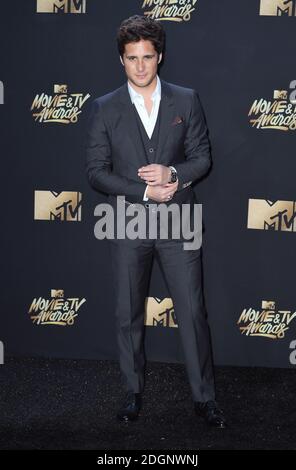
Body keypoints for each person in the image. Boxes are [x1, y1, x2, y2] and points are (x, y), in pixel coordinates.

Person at [85, 15, 227, 428]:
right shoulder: (104, 108)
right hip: (127, 221)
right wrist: (145, 190)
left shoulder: (186, 100)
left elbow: (203, 157)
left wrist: (174, 174)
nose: (141, 66)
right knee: (127, 312)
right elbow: (95, 172)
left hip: (179, 222)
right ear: (122, 60)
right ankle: (132, 392)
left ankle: (204, 398)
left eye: (148, 57)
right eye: (132, 58)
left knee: (193, 311)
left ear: (160, 56)